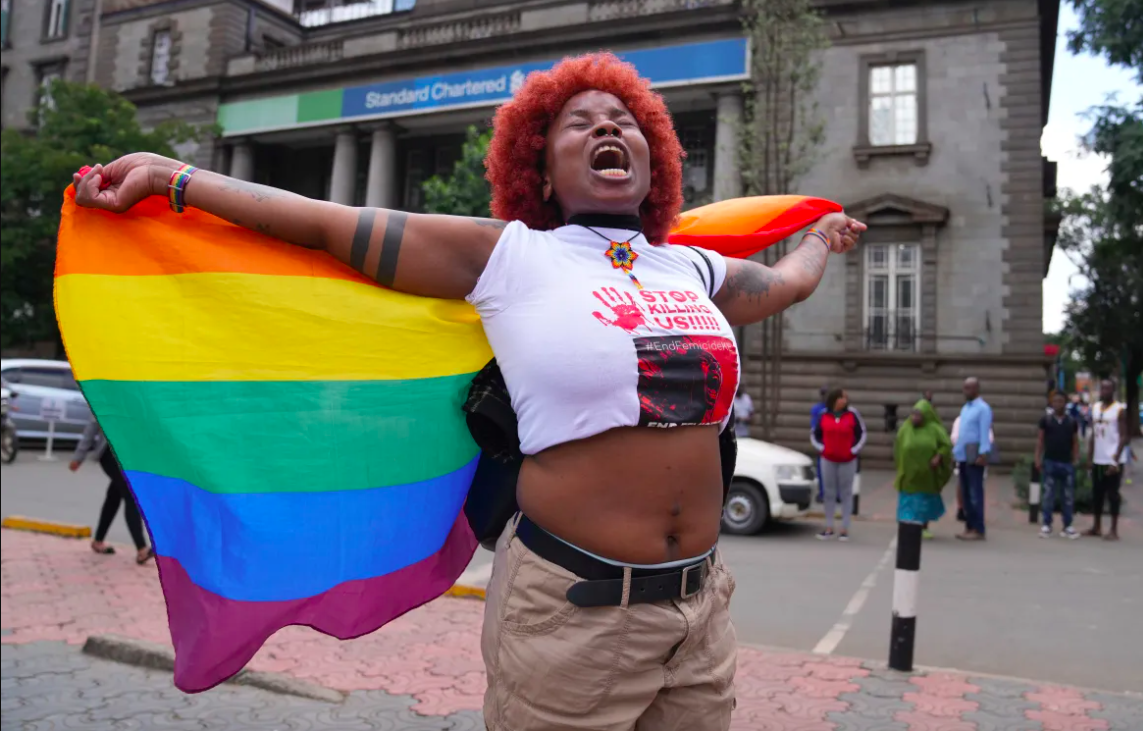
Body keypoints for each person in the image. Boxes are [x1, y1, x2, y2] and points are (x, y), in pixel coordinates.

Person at [73, 53, 865, 730]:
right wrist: (174, 178)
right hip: (570, 615)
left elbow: (781, 283)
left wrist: (819, 244)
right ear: (539, 167)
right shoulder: (508, 256)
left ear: (653, 157)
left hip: (700, 615)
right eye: (579, 122)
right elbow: (323, 223)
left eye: (624, 119)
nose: (607, 128)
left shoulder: (689, 269)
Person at [70, 420, 154, 564]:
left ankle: (98, 541)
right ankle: (141, 549)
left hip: (128, 455)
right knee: (130, 494)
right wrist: (79, 456)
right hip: (110, 454)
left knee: (114, 497)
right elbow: (92, 426)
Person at [810, 388, 866, 541]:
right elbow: (815, 434)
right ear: (835, 399)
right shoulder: (823, 415)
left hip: (848, 460)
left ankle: (844, 528)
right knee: (829, 493)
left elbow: (862, 434)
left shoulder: (852, 414)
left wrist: (853, 450)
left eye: (846, 398)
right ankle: (829, 527)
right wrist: (823, 448)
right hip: (828, 459)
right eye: (842, 398)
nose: (845, 401)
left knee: (846, 493)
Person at [894, 400, 952, 540]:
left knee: (924, 502)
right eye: (913, 414)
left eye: (918, 415)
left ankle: (924, 526)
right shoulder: (905, 429)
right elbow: (898, 448)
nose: (915, 418)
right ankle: (906, 526)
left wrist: (938, 456)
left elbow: (946, 445)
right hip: (909, 475)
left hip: (927, 476)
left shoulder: (935, 429)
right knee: (908, 502)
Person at [1085, 378, 1129, 541]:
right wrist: (1089, 457)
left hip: (1112, 460)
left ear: (1113, 391)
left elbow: (1124, 436)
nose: (1105, 392)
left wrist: (1115, 460)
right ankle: (1096, 526)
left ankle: (1114, 529)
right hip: (1098, 458)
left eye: (1108, 389)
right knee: (1097, 493)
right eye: (1102, 389)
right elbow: (1092, 435)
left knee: (1113, 495)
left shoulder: (1119, 410)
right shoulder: (1095, 408)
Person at [1035, 390, 1080, 539]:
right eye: (1055, 401)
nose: (1057, 404)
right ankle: (1047, 524)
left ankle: (1067, 525)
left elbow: (1075, 441)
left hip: (1066, 462)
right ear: (1051, 403)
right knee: (1048, 494)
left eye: (1060, 401)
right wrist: (1038, 458)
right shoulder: (1046, 420)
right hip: (1050, 461)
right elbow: (1040, 441)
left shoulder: (1071, 421)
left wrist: (1076, 458)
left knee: (1067, 496)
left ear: (1065, 403)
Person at [953, 377, 992, 541]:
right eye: (964, 388)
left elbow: (984, 432)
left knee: (975, 492)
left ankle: (978, 528)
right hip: (963, 455)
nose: (965, 391)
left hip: (975, 455)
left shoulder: (983, 409)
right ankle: (969, 526)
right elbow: (962, 434)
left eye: (968, 388)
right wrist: (955, 453)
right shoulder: (965, 408)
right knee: (966, 493)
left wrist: (984, 453)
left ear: (976, 389)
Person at [811, 386, 828, 501]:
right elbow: (813, 428)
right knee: (821, 470)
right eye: (823, 394)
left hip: (833, 443)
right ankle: (822, 493)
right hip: (822, 443)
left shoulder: (833, 409)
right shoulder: (817, 409)